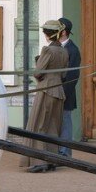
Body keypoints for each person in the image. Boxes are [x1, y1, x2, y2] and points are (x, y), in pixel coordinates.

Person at [23, 20, 69, 173]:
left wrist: (38, 63)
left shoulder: (47, 50)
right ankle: (51, 160)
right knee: (53, 127)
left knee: (40, 125)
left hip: (46, 90)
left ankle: (40, 161)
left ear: (47, 34)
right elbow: (64, 74)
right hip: (59, 91)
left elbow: (38, 73)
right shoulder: (63, 51)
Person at [57, 17, 81, 158]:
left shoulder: (72, 50)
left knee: (65, 122)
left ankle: (65, 152)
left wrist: (63, 93)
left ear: (64, 32)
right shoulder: (56, 47)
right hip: (56, 92)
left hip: (65, 93)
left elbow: (72, 75)